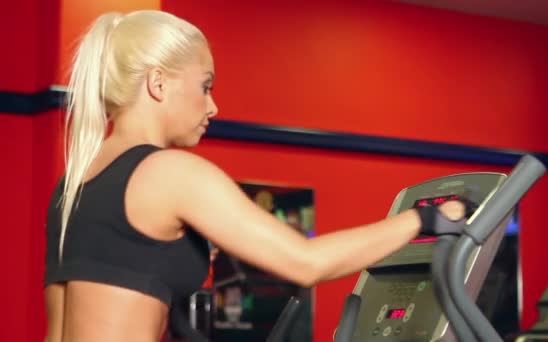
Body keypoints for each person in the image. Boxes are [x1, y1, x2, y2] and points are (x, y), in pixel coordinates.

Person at [43, 9, 470, 342]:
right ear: (158, 83)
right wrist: (422, 219)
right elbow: (307, 263)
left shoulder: (76, 181)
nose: (213, 107)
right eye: (205, 86)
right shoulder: (169, 172)